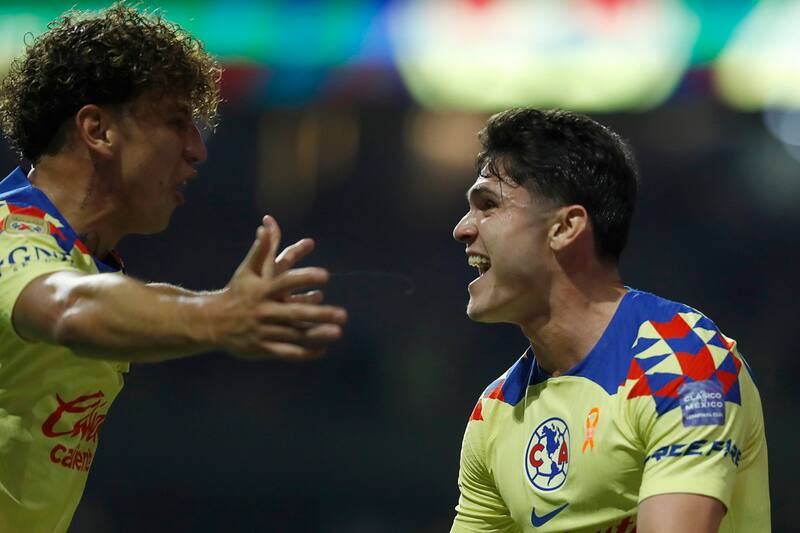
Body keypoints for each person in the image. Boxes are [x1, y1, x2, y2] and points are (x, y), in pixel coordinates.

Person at [0, 4, 347, 532]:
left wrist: (215, 307)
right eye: (175, 122)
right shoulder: (9, 231)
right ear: (98, 130)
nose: (198, 151)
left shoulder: (88, 266)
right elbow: (69, 307)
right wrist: (219, 317)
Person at [449, 108, 769, 532]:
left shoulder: (683, 364)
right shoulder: (495, 412)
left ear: (565, 228)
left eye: (487, 205)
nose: (462, 229)